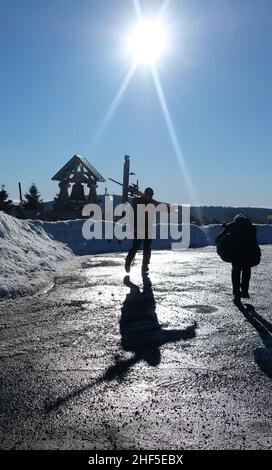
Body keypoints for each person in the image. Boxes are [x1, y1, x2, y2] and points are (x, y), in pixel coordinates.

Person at [216, 214, 261, 304]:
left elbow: (218, 238)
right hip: (248, 254)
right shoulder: (252, 228)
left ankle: (237, 294)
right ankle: (244, 291)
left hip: (236, 255)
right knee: (246, 271)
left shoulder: (232, 226)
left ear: (235, 220)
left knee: (235, 273)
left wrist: (222, 245)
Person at [125, 187, 166, 275]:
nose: (150, 197)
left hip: (146, 230)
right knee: (139, 247)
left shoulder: (148, 202)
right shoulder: (140, 201)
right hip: (140, 229)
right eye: (149, 195)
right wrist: (140, 197)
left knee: (144, 248)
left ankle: (143, 265)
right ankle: (130, 262)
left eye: (151, 196)